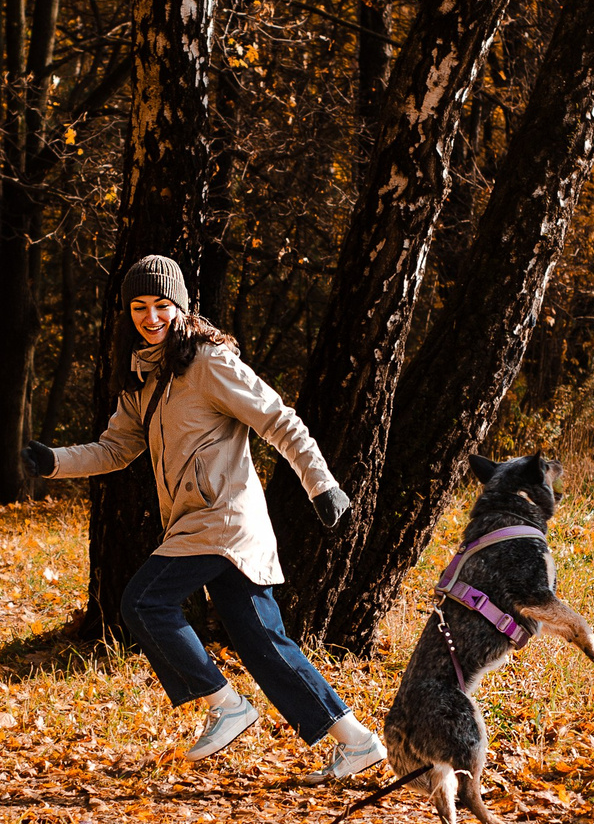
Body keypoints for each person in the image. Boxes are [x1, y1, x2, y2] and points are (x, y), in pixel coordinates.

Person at [22, 255, 387, 781]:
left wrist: (321, 484)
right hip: (197, 524)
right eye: (139, 307)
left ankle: (226, 706)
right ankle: (357, 741)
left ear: (181, 306)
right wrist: (53, 462)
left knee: (144, 601)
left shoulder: (209, 363)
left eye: (161, 305)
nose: (151, 317)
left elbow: (278, 419)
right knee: (264, 644)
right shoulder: (145, 379)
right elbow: (114, 449)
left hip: (224, 520)